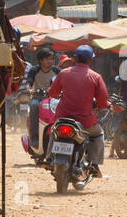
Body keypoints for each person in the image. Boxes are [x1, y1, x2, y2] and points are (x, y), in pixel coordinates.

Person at [47, 43, 110, 177]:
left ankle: (48, 158)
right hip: (85, 120)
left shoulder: (63, 73)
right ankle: (94, 164)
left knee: (54, 131)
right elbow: (102, 102)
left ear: (74, 58)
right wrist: (106, 105)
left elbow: (52, 93)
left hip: (62, 116)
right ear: (90, 60)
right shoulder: (96, 77)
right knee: (98, 135)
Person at [24, 49, 57, 152]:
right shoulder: (34, 70)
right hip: (38, 97)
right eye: (47, 59)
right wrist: (29, 89)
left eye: (51, 59)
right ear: (41, 60)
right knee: (33, 106)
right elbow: (29, 82)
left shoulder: (57, 70)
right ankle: (34, 138)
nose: (50, 61)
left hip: (54, 98)